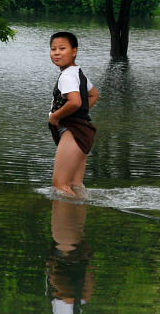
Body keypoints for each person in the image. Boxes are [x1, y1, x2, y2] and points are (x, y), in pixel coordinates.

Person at [48, 32, 99, 197]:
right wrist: (79, 113)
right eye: (53, 49)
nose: (57, 52)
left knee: (60, 186)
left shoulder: (67, 75)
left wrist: (55, 117)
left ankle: (64, 223)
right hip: (83, 132)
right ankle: (75, 222)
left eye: (62, 48)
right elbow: (93, 95)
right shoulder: (77, 72)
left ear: (74, 51)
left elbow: (75, 102)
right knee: (75, 186)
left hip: (73, 131)